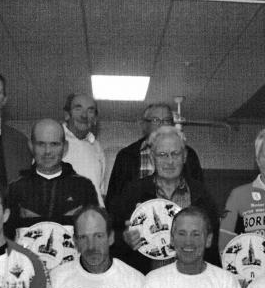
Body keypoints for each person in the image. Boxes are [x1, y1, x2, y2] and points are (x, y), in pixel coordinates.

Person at [110, 126, 220, 274]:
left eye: (175, 154)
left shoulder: (202, 195)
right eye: (162, 154)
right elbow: (112, 237)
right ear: (152, 158)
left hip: (192, 281)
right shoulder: (133, 192)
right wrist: (125, 239)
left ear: (185, 156)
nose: (170, 161)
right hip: (145, 280)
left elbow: (212, 247)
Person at [6, 118, 98, 234]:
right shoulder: (15, 189)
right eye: (41, 144)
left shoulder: (84, 187)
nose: (47, 151)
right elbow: (6, 236)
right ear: (31, 146)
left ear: (65, 147)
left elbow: (93, 234)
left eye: (54, 144)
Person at [106, 102, 203, 203]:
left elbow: (199, 193)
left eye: (167, 120)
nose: (162, 124)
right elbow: (114, 197)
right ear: (144, 125)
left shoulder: (189, 154)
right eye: (155, 120)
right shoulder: (126, 156)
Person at [61, 93, 106, 202]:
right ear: (67, 114)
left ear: (95, 119)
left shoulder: (97, 147)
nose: (84, 115)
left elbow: (100, 190)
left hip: (93, 211)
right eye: (78, 109)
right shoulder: (54, 140)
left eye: (90, 111)